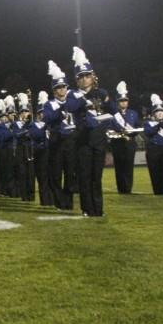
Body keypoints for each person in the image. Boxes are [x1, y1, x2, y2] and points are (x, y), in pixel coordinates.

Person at [65, 47, 115, 217]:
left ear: (93, 77)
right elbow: (70, 107)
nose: (85, 79)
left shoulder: (101, 93)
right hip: (83, 141)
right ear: (77, 79)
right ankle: (87, 208)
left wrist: (106, 98)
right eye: (81, 77)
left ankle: (98, 209)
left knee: (97, 178)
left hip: (99, 141)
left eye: (88, 76)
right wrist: (85, 99)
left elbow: (113, 110)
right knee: (85, 177)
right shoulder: (73, 94)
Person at [43, 61, 77, 210]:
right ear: (54, 90)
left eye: (63, 87)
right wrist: (62, 109)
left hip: (71, 141)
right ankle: (59, 201)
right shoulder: (49, 104)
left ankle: (68, 201)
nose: (62, 89)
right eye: (58, 87)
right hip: (57, 141)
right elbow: (48, 118)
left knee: (71, 174)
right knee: (56, 175)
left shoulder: (73, 102)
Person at [109, 81, 140, 194]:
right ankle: (121, 188)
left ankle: (128, 188)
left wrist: (130, 134)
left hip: (130, 143)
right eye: (121, 101)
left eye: (125, 100)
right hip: (117, 142)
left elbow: (137, 127)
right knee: (119, 166)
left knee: (129, 166)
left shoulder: (133, 113)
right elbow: (110, 126)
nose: (124, 102)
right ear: (118, 102)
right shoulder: (113, 115)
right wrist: (121, 132)